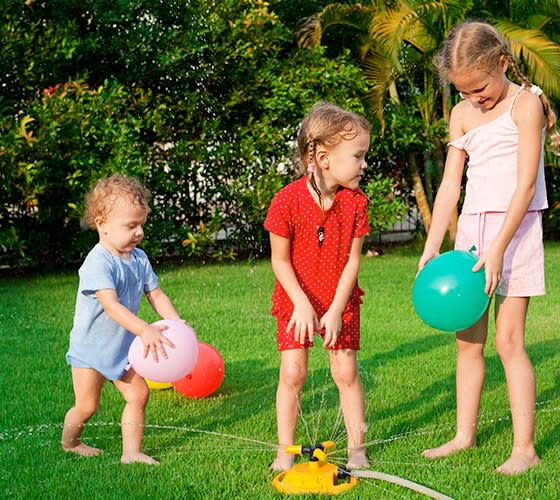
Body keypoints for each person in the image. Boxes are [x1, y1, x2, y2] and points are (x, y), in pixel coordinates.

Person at [418, 20, 559, 475]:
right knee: (468, 342)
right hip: (473, 233)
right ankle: (464, 435)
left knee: (508, 340)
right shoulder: (461, 114)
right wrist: (432, 246)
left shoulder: (526, 105)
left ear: (502, 63)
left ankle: (525, 449)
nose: (474, 98)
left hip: (515, 233)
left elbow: (524, 186)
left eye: (479, 87)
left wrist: (499, 248)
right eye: (464, 91)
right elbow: (448, 187)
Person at [264, 102, 371, 471]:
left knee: (345, 372)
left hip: (340, 301)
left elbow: (353, 261)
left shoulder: (356, 203)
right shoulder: (286, 201)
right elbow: (279, 260)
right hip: (296, 301)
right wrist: (301, 304)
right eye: (358, 156)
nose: (364, 164)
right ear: (324, 157)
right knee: (293, 372)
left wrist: (337, 309)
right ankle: (284, 450)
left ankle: (357, 449)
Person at [62, 174, 184, 465]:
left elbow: (156, 295)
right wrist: (144, 330)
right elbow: (111, 306)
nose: (139, 232)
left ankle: (131, 453)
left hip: (122, 349)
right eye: (130, 226)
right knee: (87, 405)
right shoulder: (98, 262)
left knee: (138, 394)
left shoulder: (139, 258)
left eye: (141, 224)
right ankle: (71, 442)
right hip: (90, 351)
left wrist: (177, 324)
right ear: (102, 225)